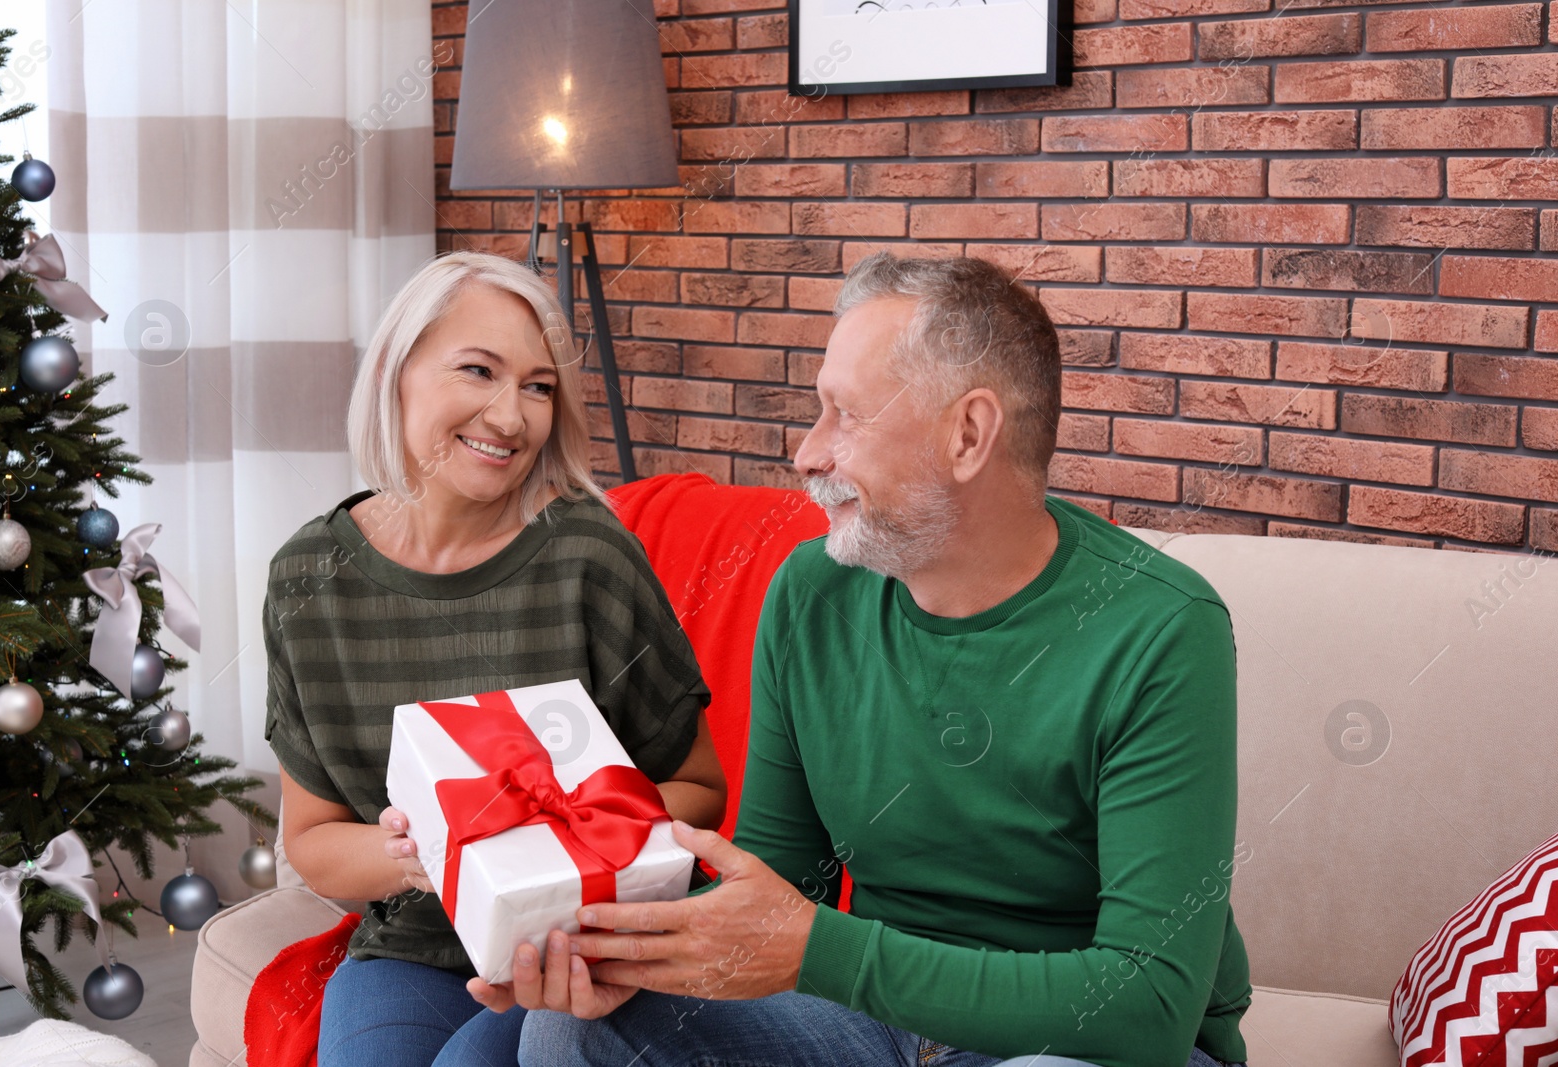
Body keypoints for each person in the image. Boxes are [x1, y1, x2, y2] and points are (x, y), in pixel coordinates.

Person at [498, 252, 1252, 1067]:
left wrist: (821, 952)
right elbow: (781, 890)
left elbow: (1146, 1011)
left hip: (1066, 1041)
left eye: (843, 415)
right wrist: (627, 950)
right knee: (576, 1029)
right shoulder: (813, 592)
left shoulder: (1163, 628)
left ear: (968, 435)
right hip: (866, 1021)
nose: (807, 453)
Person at [262, 252, 728, 1067]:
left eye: (539, 386)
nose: (511, 417)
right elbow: (311, 838)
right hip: (412, 949)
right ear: (396, 372)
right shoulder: (309, 578)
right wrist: (427, 855)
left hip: (584, 944)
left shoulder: (588, 554)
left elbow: (699, 789)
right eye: (479, 370)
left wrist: (561, 846)